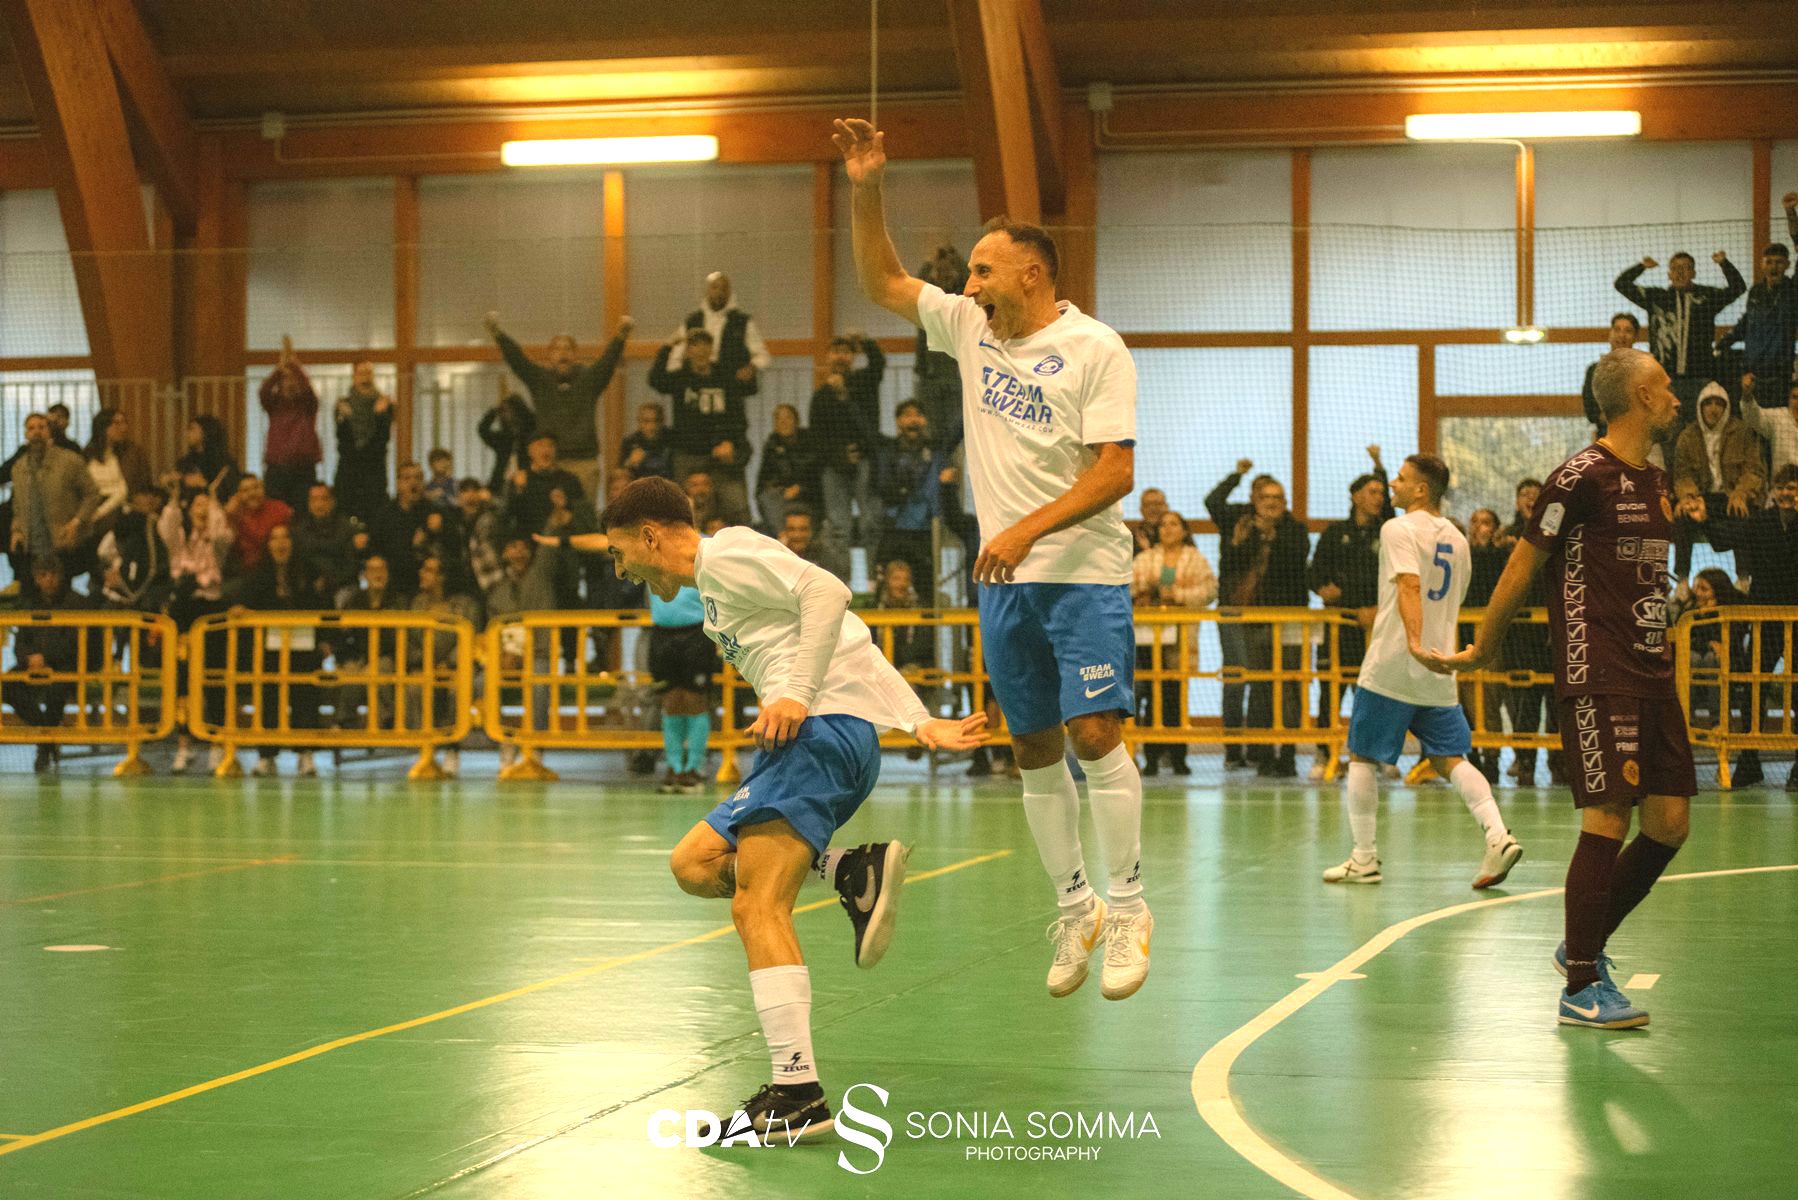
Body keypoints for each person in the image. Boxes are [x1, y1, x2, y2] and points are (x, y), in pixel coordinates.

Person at [837, 116, 1153, 1001]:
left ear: (1032, 273)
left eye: (983, 270)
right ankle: (1076, 906)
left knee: (1095, 733)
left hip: (1081, 573)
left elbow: (1115, 472)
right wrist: (868, 187)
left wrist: (1023, 530)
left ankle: (1129, 909)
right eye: (968, 273)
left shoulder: (1095, 348)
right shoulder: (968, 330)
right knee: (1033, 748)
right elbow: (882, 280)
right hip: (1006, 585)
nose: (968, 284)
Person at [597, 475, 986, 1138]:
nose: (620, 569)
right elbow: (853, 637)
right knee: (694, 863)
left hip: (816, 734)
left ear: (650, 536)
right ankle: (847, 868)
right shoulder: (714, 595)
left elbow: (830, 592)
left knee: (757, 905)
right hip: (819, 737)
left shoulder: (726, 553)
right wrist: (919, 720)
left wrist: (798, 695)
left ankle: (796, 1091)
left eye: (618, 552)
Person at [1431, 347, 1694, 1031]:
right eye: (1664, 386)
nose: (1675, 397)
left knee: (1669, 824)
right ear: (1639, 396)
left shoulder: (1657, 479)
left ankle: (1583, 939)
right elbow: (1522, 566)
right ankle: (1580, 984)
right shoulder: (1579, 477)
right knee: (1607, 816)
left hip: (1653, 670)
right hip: (1597, 670)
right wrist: (1483, 648)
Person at [1324, 454, 1521, 888]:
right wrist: (1431, 648)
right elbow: (1454, 600)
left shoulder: (1397, 529)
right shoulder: (1458, 539)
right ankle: (1497, 835)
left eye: (1400, 478)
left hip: (1394, 664)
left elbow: (1410, 585)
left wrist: (1413, 643)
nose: (1391, 484)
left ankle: (1364, 858)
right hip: (1440, 666)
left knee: (1362, 755)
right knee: (1451, 759)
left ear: (1421, 490)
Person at [1688, 465, 1798, 788]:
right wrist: (1704, 520)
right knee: (1751, 688)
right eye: (1781, 488)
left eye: (1792, 488)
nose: (1786, 494)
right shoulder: (1761, 521)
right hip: (1764, 620)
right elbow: (1724, 541)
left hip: (1797, 620)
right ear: (1773, 492)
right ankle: (1749, 762)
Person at [1207, 464, 1312, 778]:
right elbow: (1213, 504)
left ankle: (1288, 754)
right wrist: (1236, 476)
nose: (1271, 503)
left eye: (1277, 498)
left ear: (1285, 502)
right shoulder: (1239, 523)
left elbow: (1294, 563)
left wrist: (1272, 536)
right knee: (1259, 686)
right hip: (1250, 619)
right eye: (1266, 497)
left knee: (1290, 685)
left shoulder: (1295, 531)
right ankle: (1261, 753)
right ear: (1255, 500)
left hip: (1288, 619)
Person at [1306, 446, 1393, 779]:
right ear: (1356, 496)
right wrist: (1322, 588)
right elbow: (1313, 572)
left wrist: (1379, 466)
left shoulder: (1387, 532)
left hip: (1376, 626)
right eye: (1372, 492)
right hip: (1339, 626)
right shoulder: (1334, 532)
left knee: (1374, 691)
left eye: (1382, 493)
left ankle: (1376, 753)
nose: (1378, 498)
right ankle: (1325, 752)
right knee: (1331, 689)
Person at [486, 312, 633, 506]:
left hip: (584, 462)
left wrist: (621, 336)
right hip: (550, 462)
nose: (563, 353)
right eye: (557, 349)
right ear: (550, 355)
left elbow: (608, 362)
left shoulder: (589, 380)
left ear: (575, 355)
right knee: (549, 513)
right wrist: (498, 334)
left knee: (582, 513)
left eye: (568, 349)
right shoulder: (540, 380)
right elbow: (518, 360)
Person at [1613, 250, 1746, 447]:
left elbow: (1738, 287)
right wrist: (1641, 266)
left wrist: (1724, 263)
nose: (1680, 273)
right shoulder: (1656, 298)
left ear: (1694, 273)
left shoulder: (1707, 298)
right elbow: (1621, 284)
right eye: (1675, 268)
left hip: (1700, 381)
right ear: (1669, 274)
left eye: (1686, 268)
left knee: (1699, 439)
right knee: (1668, 438)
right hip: (1665, 383)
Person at [1130, 509, 1216, 776]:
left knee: (1175, 696)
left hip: (1180, 637)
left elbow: (1210, 590)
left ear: (1184, 530)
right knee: (1149, 694)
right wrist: (1146, 588)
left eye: (1174, 524)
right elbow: (1128, 586)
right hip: (1147, 638)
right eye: (1163, 524)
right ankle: (1151, 757)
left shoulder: (1196, 559)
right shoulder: (1145, 559)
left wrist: (1177, 594)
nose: (1168, 529)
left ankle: (1179, 756)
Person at [236, 524, 326, 778]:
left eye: (285, 537)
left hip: (304, 646)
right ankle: (266, 755)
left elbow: (323, 607)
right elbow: (243, 604)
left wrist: (326, 641)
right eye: (274, 538)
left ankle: (305, 754)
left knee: (305, 698)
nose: (280, 543)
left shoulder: (309, 573)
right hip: (269, 649)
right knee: (269, 699)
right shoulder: (257, 575)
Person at [649, 327, 754, 527]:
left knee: (736, 506)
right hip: (687, 454)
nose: (700, 351)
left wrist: (731, 443)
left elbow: (738, 415)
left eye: (705, 346)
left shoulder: (725, 377)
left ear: (711, 349)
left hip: (719, 455)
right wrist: (667, 347)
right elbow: (655, 380)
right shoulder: (681, 378)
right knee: (681, 510)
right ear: (688, 351)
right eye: (694, 346)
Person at [163, 489, 235, 774]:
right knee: (183, 679)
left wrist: (216, 504)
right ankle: (184, 744)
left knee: (214, 678)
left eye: (206, 504)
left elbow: (222, 535)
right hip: (184, 609)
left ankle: (216, 744)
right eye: (197, 504)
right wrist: (173, 499)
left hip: (211, 608)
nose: (201, 509)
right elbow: (166, 527)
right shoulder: (180, 539)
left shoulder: (217, 542)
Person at [11, 554, 101, 772]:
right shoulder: (30, 605)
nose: (49, 579)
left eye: (53, 574)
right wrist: (28, 658)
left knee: (56, 690)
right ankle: (48, 735)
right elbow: (21, 642)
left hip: (68, 665)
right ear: (36, 579)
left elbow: (76, 645)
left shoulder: (78, 604)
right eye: (43, 575)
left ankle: (44, 747)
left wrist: (46, 657)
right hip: (34, 664)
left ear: (61, 576)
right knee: (8, 686)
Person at [1671, 380, 1764, 582]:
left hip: (1732, 497)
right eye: (1708, 403)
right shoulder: (1687, 436)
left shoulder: (1743, 432)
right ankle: (1682, 581)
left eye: (1718, 403)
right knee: (1681, 515)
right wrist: (1689, 497)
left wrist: (1741, 493)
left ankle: (1743, 579)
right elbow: (1682, 474)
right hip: (1703, 498)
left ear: (1726, 407)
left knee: (1741, 513)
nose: (1713, 409)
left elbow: (1754, 470)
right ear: (1700, 406)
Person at [10, 412, 101, 596]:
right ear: (25, 434)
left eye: (41, 427)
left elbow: (92, 494)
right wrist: (17, 530)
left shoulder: (70, 461)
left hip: (63, 542)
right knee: (31, 597)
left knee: (63, 597)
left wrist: (76, 522)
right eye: (31, 428)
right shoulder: (19, 468)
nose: (36, 432)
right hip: (32, 547)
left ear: (49, 431)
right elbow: (18, 505)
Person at [406, 554, 480, 778]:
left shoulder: (466, 605)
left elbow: (470, 637)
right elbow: (409, 640)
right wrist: (427, 663)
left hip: (458, 666)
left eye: (429, 570)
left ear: (443, 577)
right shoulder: (417, 604)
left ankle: (451, 749)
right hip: (425, 665)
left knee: (456, 690)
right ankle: (425, 748)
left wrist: (449, 663)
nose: (422, 574)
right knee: (414, 688)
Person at [647, 576, 717, 795]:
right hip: (662, 633)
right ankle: (675, 767)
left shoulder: (700, 557)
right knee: (670, 701)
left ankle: (694, 767)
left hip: (696, 632)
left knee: (695, 699)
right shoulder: (651, 559)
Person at [1715, 241, 1797, 404]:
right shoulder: (1756, 291)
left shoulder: (1792, 291)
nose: (1774, 267)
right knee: (1750, 415)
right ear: (1762, 265)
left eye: (1779, 262)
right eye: (1769, 262)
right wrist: (1723, 342)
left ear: (1787, 265)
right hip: (1751, 374)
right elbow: (1746, 322)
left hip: (1779, 376)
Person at [1461, 507, 1509, 782]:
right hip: (1462, 636)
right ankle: (1472, 757)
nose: (1480, 527)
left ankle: (1492, 760)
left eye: (1486, 522)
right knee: (1463, 701)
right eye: (1475, 522)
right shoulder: (1461, 555)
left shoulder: (1501, 558)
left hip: (1490, 639)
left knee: (1488, 701)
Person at [666, 272, 770, 390]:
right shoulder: (692, 321)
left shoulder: (742, 322)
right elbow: (676, 356)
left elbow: (762, 355)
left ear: (729, 293)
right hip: (696, 387)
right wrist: (679, 380)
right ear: (707, 291)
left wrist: (752, 368)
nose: (719, 292)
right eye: (715, 287)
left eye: (724, 288)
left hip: (731, 388)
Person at [259, 337, 324, 512]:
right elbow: (264, 391)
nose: (290, 383)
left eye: (293, 380)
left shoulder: (307, 406)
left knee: (303, 511)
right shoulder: (274, 405)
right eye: (286, 380)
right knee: (275, 511)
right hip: (277, 466)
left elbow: (307, 387)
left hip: (303, 467)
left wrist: (293, 364)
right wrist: (279, 370)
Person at [333, 361, 394, 523]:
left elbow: (382, 441)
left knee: (375, 519)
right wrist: (346, 419)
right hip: (348, 474)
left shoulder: (384, 404)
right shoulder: (343, 405)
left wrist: (379, 416)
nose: (365, 377)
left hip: (374, 474)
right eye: (361, 373)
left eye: (368, 373)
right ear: (354, 377)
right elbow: (342, 442)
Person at [83, 408, 154, 539]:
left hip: (120, 505)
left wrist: (100, 512)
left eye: (124, 423)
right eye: (117, 423)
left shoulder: (130, 453)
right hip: (94, 505)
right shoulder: (88, 455)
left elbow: (125, 489)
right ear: (103, 427)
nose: (123, 428)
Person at [291, 482, 361, 603]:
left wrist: (329, 581)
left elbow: (352, 566)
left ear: (333, 502)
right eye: (314, 500)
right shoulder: (299, 531)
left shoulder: (347, 529)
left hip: (341, 585)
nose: (319, 504)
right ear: (308, 503)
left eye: (324, 499)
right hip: (309, 587)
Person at [755, 403, 819, 531]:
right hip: (780, 497)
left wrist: (800, 487)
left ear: (797, 421)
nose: (783, 422)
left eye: (788, 417)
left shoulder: (811, 442)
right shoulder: (771, 446)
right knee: (768, 498)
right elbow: (762, 483)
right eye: (778, 418)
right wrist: (775, 488)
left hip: (808, 495)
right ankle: (782, 535)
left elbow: (816, 474)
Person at [1581, 313, 1640, 439]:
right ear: (1610, 334)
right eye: (1617, 329)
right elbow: (1590, 408)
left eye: (1628, 331)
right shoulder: (1594, 370)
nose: (1622, 335)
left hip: (1636, 436)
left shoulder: (1643, 370)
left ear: (1635, 337)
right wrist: (1604, 417)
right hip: (1605, 437)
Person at [223, 474, 293, 575]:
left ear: (262, 487)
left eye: (256, 487)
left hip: (280, 567)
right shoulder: (234, 515)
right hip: (249, 571)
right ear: (237, 496)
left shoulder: (279, 509)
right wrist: (228, 517)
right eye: (246, 490)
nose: (252, 493)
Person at [1736, 372, 1798, 481]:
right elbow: (1753, 418)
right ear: (1788, 399)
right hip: (1782, 486)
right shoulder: (1779, 417)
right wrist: (1747, 395)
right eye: (1795, 397)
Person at [172, 415, 243, 501]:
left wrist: (204, 485)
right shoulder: (185, 461)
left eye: (192, 429)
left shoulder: (224, 461)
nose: (187, 434)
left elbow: (231, 491)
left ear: (206, 432)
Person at [477, 392, 536, 494]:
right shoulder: (503, 438)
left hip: (526, 483)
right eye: (503, 411)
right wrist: (493, 412)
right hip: (501, 485)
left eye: (508, 411)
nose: (504, 415)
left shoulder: (530, 435)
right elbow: (483, 431)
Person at [617, 402, 674, 484]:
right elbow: (619, 475)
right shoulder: (630, 442)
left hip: (667, 486)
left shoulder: (672, 439)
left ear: (662, 421)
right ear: (639, 422)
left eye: (656, 421)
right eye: (646, 421)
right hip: (639, 487)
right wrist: (630, 463)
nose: (652, 426)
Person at [1131, 487, 1168, 554]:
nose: (1153, 509)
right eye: (1148, 505)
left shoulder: (1178, 533)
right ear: (1141, 509)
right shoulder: (1134, 536)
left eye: (1157, 504)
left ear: (1166, 507)